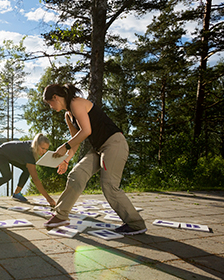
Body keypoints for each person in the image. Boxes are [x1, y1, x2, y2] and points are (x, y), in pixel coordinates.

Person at [42, 83, 147, 235]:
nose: (50, 107)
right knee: (76, 176)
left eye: (49, 103)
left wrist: (64, 146)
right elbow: (75, 141)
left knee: (109, 184)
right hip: (98, 149)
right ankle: (60, 215)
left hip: (113, 143)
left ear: (55, 97)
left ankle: (136, 224)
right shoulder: (68, 115)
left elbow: (86, 131)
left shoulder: (76, 103)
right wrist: (66, 160)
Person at [0, 134, 56, 206]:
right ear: (36, 145)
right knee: (7, 176)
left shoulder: (33, 147)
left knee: (27, 170)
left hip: (10, 155)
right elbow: (35, 179)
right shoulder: (29, 153)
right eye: (42, 148)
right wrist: (48, 199)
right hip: (0, 154)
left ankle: (16, 193)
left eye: (46, 149)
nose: (44, 151)